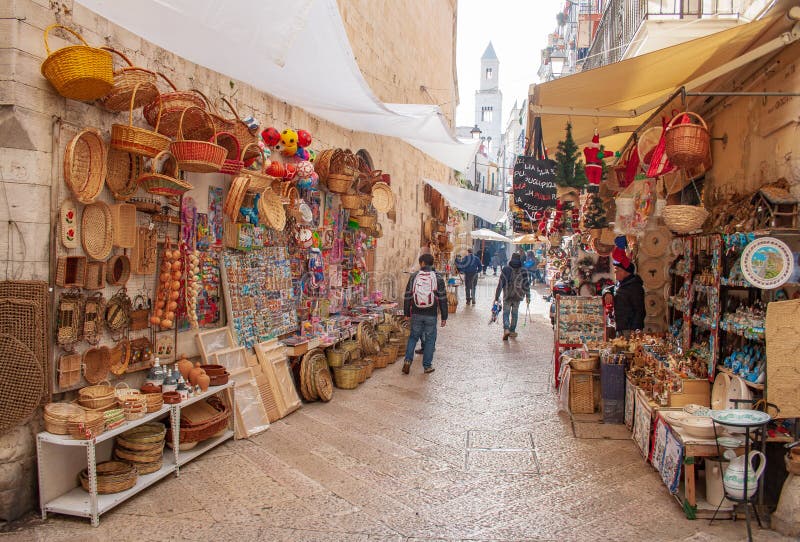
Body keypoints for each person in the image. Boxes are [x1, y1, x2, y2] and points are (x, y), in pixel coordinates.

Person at [403, 253, 447, 374]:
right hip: (431, 314)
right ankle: (427, 366)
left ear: (422, 263)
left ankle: (407, 361)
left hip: (416, 313)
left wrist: (406, 313)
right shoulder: (438, 278)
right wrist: (444, 316)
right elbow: (443, 298)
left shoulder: (414, 276)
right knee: (430, 339)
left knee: (413, 337)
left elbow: (408, 296)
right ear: (432, 263)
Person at [494, 253, 531, 340]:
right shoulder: (523, 270)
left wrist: (497, 296)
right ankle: (512, 331)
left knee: (506, 313)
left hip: (507, 294)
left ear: (511, 258)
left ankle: (506, 329)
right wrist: (528, 296)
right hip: (518, 295)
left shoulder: (506, 269)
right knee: (515, 314)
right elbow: (526, 285)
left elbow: (500, 283)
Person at [612, 258, 645, 336]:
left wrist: (635, 330)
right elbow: (610, 288)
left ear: (625, 272)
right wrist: (606, 292)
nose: (615, 272)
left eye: (617, 270)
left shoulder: (635, 287)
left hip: (629, 329)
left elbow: (639, 310)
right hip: (620, 327)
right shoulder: (620, 284)